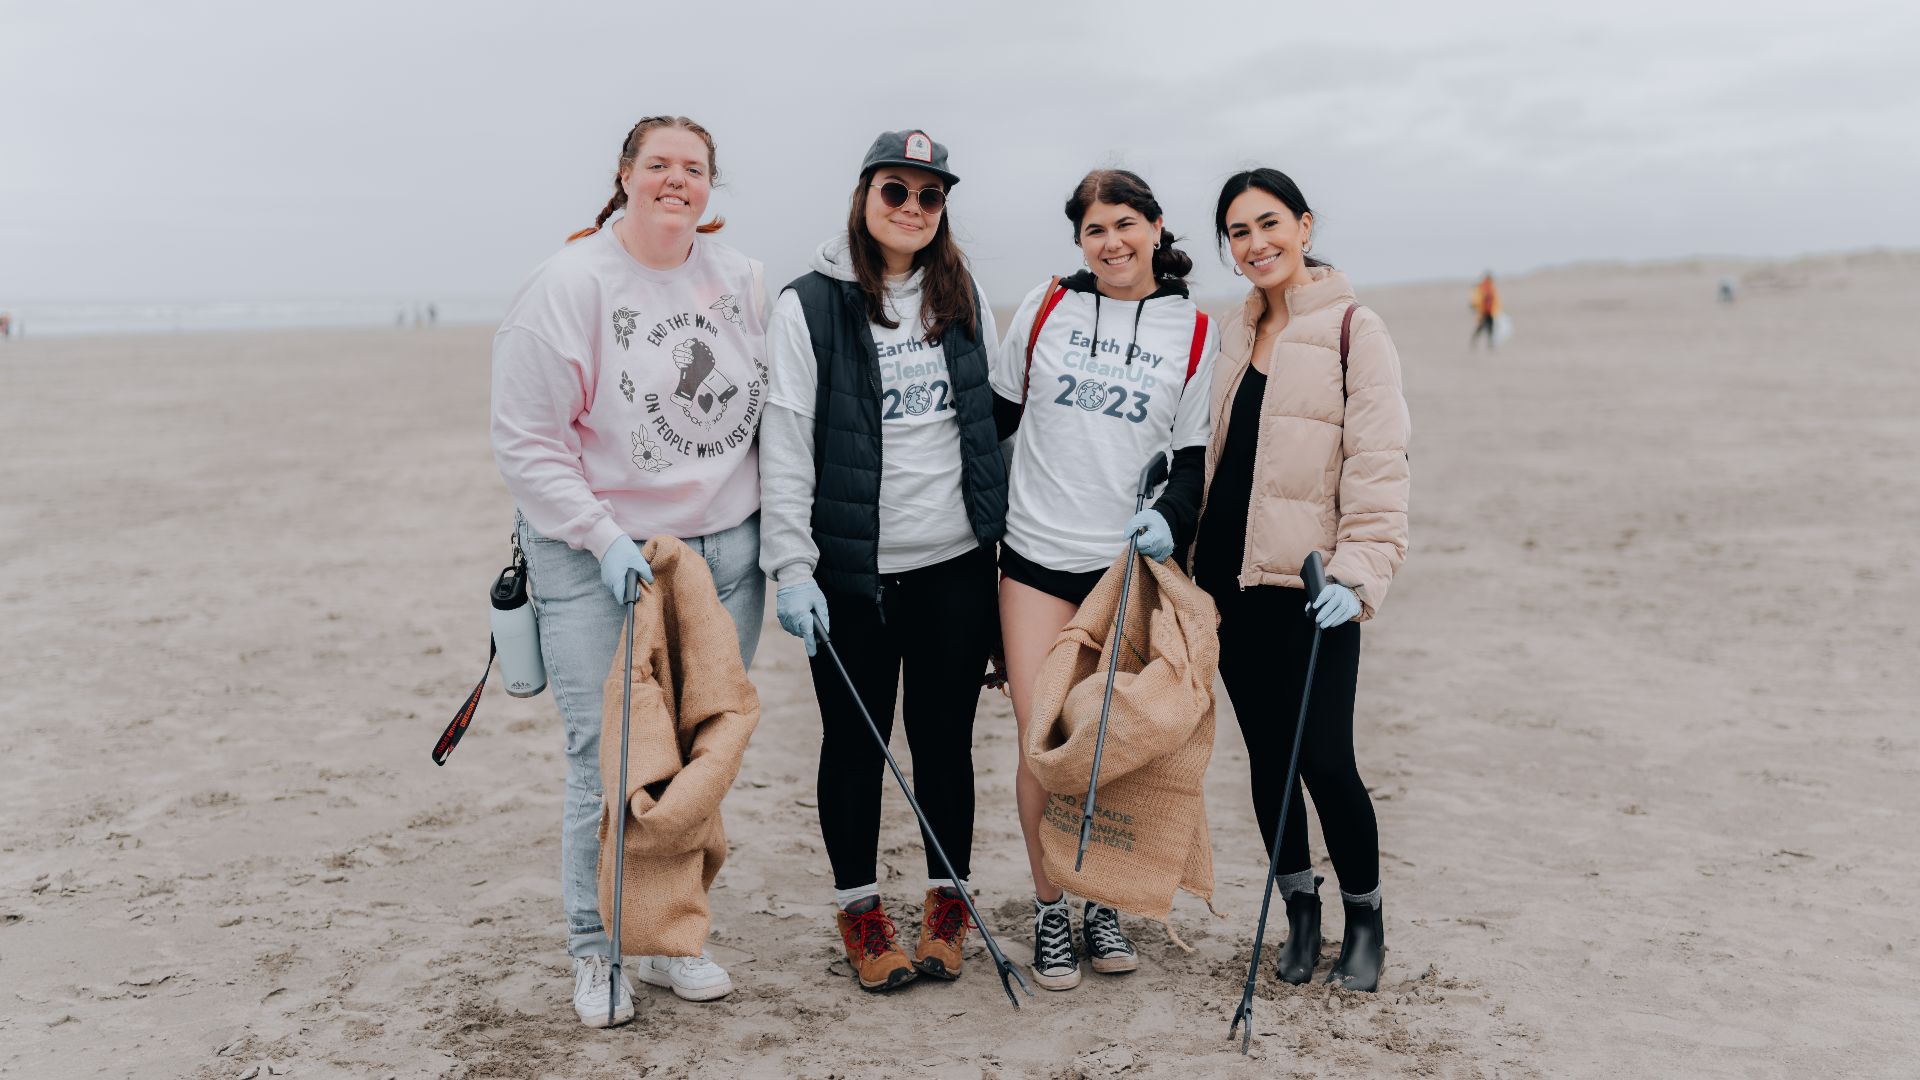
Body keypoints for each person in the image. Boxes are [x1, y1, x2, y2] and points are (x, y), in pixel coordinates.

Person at [490, 115, 768, 1028]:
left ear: (710, 185)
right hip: (598, 557)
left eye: (694, 168)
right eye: (659, 165)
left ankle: (666, 939)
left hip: (725, 556)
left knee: (691, 762)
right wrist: (605, 539)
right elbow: (527, 444)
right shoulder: (569, 283)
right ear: (626, 174)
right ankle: (596, 949)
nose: (676, 181)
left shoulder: (740, 280)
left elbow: (771, 417)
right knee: (603, 764)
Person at [759, 130, 1005, 994]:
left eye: (929, 196)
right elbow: (786, 441)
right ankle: (862, 914)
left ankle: (948, 905)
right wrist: (792, 568)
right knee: (856, 747)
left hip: (956, 566)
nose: (911, 208)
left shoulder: (959, 293)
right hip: (853, 576)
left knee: (945, 741)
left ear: (942, 211)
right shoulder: (808, 304)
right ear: (865, 196)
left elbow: (990, 422)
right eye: (894, 190)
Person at [991, 168, 1218, 991]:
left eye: (1126, 224)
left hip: (1123, 567)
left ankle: (1101, 902)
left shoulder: (1194, 330)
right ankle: (1051, 909)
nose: (1112, 242)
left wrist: (1172, 523)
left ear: (1156, 227)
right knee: (1045, 741)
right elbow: (995, 420)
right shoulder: (1048, 305)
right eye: (1095, 230)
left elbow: (1191, 461)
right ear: (1079, 241)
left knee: (1108, 746)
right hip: (1034, 559)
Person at [1194, 167, 1410, 993]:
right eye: (1239, 232)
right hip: (1228, 587)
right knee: (1270, 759)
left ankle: (1365, 920)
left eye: (1270, 223)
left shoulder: (1357, 329)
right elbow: (1211, 461)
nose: (1257, 243)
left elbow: (1379, 472)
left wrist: (1355, 578)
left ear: (1306, 226)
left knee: (1326, 760)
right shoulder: (1231, 335)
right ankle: (1301, 913)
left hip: (1314, 593)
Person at [1470, 270, 1500, 349]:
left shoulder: (1492, 287)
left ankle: (1490, 344)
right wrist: (1474, 305)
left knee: (1490, 328)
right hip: (1482, 311)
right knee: (1480, 328)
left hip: (1490, 311)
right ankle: (1474, 342)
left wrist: (1496, 310)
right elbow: (1476, 297)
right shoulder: (1481, 287)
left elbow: (1495, 299)